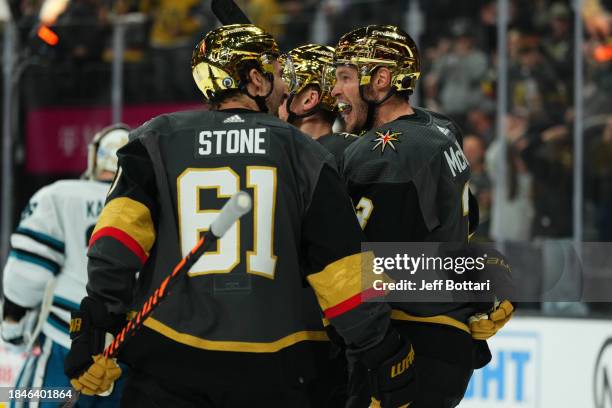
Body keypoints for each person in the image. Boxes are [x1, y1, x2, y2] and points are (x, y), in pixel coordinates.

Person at [64, 24, 415, 408]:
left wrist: (95, 324)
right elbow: (342, 273)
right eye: (279, 75)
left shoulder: (155, 139)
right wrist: (382, 347)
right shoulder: (305, 153)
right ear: (255, 80)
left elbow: (116, 243)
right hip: (275, 367)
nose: (284, 88)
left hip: (168, 360)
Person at [331, 25, 514, 407]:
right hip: (450, 340)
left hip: (407, 343)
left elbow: (367, 268)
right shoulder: (440, 127)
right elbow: (465, 228)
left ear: (380, 80)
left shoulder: (382, 153)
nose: (335, 90)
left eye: (345, 77)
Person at [1, 124, 130, 407]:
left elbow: (24, 279)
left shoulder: (60, 195)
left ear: (96, 157)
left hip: (66, 342)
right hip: (129, 352)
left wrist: (11, 328)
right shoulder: (149, 205)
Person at [278, 43, 357, 168]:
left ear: (309, 100)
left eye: (283, 96)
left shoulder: (281, 151)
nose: (274, 101)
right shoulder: (354, 150)